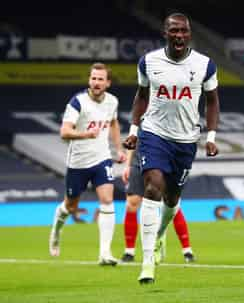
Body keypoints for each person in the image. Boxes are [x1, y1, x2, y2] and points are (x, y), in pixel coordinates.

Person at [123, 12, 220, 284]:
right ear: (165, 33)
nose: (179, 35)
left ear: (190, 34)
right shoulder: (148, 62)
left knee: (172, 199)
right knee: (153, 187)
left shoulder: (205, 65)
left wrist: (211, 135)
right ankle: (147, 262)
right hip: (154, 133)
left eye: (184, 31)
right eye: (174, 31)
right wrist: (133, 131)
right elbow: (141, 96)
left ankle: (159, 233)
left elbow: (212, 102)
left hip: (187, 140)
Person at [49, 62, 126, 266]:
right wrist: (85, 134)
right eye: (93, 78)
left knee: (107, 199)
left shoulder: (112, 102)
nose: (96, 82)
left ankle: (105, 253)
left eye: (100, 79)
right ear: (89, 80)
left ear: (108, 83)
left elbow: (114, 123)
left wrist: (119, 149)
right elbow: (64, 132)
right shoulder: (78, 102)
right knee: (70, 206)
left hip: (101, 158)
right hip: (78, 162)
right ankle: (57, 230)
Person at [121, 148, 196, 263]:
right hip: (140, 157)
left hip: (164, 154)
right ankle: (129, 251)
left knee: (171, 202)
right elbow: (134, 132)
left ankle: (187, 250)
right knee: (132, 202)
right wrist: (128, 165)